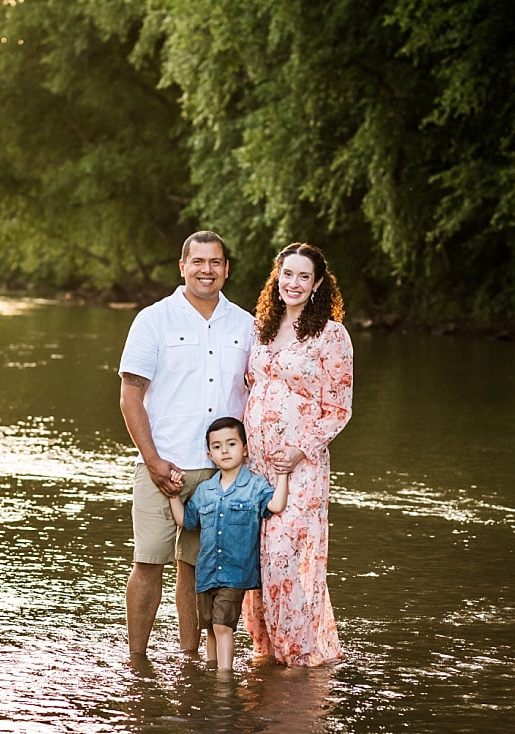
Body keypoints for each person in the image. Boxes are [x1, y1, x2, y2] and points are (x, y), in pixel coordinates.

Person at [118, 231, 254, 657]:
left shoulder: (247, 326)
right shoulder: (153, 319)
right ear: (183, 266)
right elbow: (130, 397)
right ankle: (136, 660)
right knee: (148, 562)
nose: (206, 270)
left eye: (215, 262)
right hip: (164, 464)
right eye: (198, 262)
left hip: (221, 472)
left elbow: (259, 396)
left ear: (227, 269)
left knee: (198, 571)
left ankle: (190, 660)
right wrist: (153, 460)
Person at [240, 242, 354, 667]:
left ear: (318, 283)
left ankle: (299, 656)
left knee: (285, 558)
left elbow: (339, 409)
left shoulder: (330, 334)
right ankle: (265, 651)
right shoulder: (262, 329)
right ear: (277, 276)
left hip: (300, 467)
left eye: (304, 276)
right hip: (255, 466)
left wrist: (300, 448)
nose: (293, 283)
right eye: (287, 274)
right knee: (257, 560)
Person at [167, 417, 289, 672]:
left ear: (245, 448)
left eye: (231, 444)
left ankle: (224, 680)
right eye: (218, 446)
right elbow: (185, 522)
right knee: (211, 627)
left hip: (236, 573)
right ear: (210, 454)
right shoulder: (205, 490)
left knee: (223, 625)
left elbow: (276, 506)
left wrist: (283, 476)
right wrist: (174, 495)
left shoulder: (254, 485)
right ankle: (210, 674)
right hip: (207, 573)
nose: (225, 450)